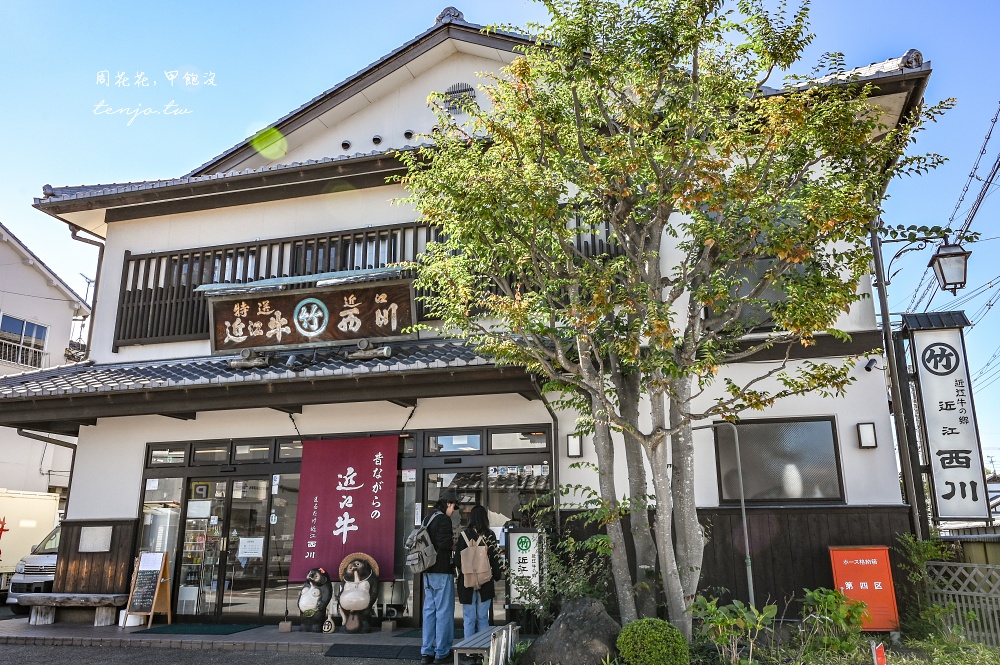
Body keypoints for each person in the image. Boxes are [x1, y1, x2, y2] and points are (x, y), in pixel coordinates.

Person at [454, 504, 503, 645]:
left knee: (469, 617)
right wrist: (497, 575)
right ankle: (483, 650)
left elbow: (457, 560)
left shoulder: (463, 535)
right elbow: (495, 558)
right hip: (485, 581)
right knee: (482, 617)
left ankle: (469, 651)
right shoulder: (489, 535)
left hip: (467, 581)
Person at [421, 489, 459, 665]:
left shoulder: (427, 518)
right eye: (453, 506)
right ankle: (442, 652)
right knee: (444, 611)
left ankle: (427, 651)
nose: (453, 510)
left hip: (427, 571)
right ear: (448, 503)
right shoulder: (444, 519)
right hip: (442, 571)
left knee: (429, 610)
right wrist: (453, 542)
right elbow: (443, 543)